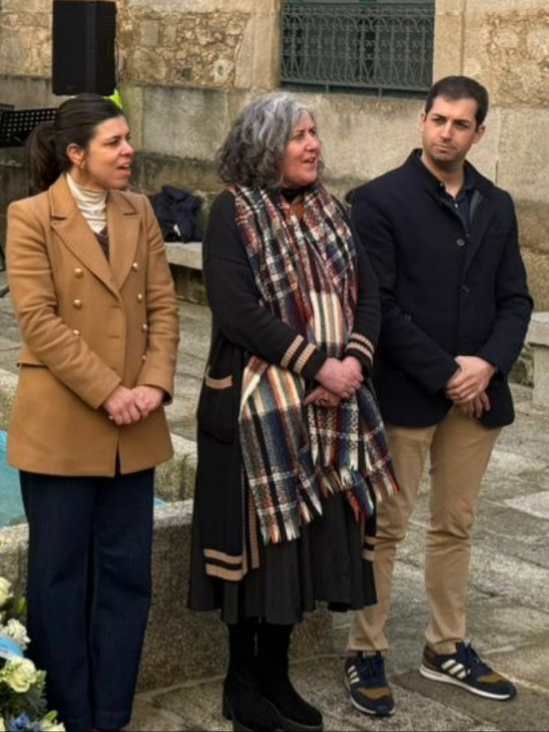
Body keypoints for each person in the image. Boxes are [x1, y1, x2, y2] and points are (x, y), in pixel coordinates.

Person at [189, 92, 399, 732]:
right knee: (256, 553)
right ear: (264, 146)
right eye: (298, 135)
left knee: (298, 551)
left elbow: (367, 297)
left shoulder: (334, 211)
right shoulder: (231, 212)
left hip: (329, 410)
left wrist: (354, 365)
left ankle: (275, 676)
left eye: (314, 133)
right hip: (257, 413)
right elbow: (237, 311)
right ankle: (241, 683)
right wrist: (319, 365)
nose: (313, 144)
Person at [343, 76, 531, 717]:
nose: (446, 133)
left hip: (477, 398)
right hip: (407, 394)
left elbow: (516, 300)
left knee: (456, 525)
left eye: (461, 124)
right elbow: (381, 307)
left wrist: (487, 365)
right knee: (386, 528)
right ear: (422, 121)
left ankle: (445, 646)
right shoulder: (377, 201)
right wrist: (450, 372)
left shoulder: (498, 204)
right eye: (438, 120)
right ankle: (364, 649)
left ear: (480, 132)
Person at [5, 94, 179, 732]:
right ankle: (65, 713)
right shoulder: (29, 216)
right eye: (114, 142)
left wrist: (154, 386)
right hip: (64, 424)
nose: (129, 150)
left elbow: (164, 307)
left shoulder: (141, 211)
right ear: (76, 154)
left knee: (127, 576)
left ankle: (111, 711)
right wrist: (111, 391)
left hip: (135, 428)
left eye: (128, 138)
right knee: (57, 581)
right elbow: (40, 322)